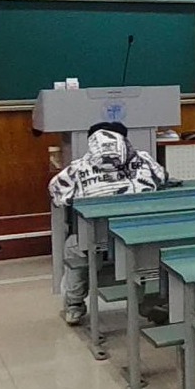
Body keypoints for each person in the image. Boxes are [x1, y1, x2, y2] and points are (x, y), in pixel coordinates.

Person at [48, 123, 167, 325]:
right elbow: (163, 179)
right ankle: (147, 303)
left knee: (74, 248)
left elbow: (57, 194)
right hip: (139, 237)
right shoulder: (145, 161)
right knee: (150, 252)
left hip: (95, 241)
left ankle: (74, 305)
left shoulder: (77, 169)